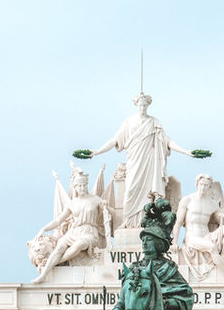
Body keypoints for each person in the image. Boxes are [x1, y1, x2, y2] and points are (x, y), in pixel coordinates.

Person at [84, 94, 201, 228]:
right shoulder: (128, 122)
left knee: (148, 194)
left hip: (149, 163)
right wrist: (97, 151)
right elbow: (114, 140)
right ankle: (128, 222)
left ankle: (147, 223)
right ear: (136, 105)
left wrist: (186, 151)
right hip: (134, 162)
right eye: (140, 105)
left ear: (148, 106)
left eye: (145, 105)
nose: (142, 107)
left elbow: (167, 141)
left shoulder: (154, 123)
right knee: (130, 192)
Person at [32, 167, 109, 278]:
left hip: (89, 232)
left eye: (84, 185)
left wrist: (105, 206)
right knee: (59, 248)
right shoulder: (72, 203)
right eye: (79, 186)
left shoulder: (95, 199)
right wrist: (44, 229)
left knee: (79, 245)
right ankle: (43, 275)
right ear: (75, 187)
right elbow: (58, 220)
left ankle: (56, 263)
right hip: (74, 232)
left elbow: (111, 213)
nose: (82, 188)